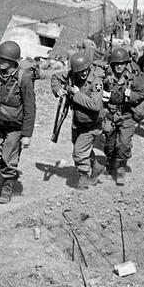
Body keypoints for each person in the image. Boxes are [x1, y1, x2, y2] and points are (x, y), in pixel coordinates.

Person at [0, 41, 35, 203]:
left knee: (8, 157)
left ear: (13, 61)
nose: (0, 61)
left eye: (4, 59)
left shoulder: (24, 78)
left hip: (15, 126)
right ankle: (10, 172)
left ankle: (7, 185)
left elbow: (30, 107)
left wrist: (27, 135)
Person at [50, 52, 105, 189]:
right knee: (80, 147)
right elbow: (55, 77)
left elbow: (95, 105)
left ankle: (83, 178)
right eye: (80, 72)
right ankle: (96, 166)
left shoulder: (96, 81)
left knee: (79, 152)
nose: (83, 74)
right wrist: (58, 90)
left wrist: (76, 94)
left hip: (92, 123)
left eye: (85, 70)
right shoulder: (72, 74)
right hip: (78, 121)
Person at [101, 46, 144, 186]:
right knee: (109, 143)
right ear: (112, 64)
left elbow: (140, 95)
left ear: (126, 63)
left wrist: (130, 95)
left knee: (124, 143)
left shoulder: (133, 76)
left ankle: (121, 167)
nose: (119, 66)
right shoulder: (106, 76)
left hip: (127, 114)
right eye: (117, 63)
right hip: (110, 113)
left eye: (122, 63)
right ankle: (110, 160)